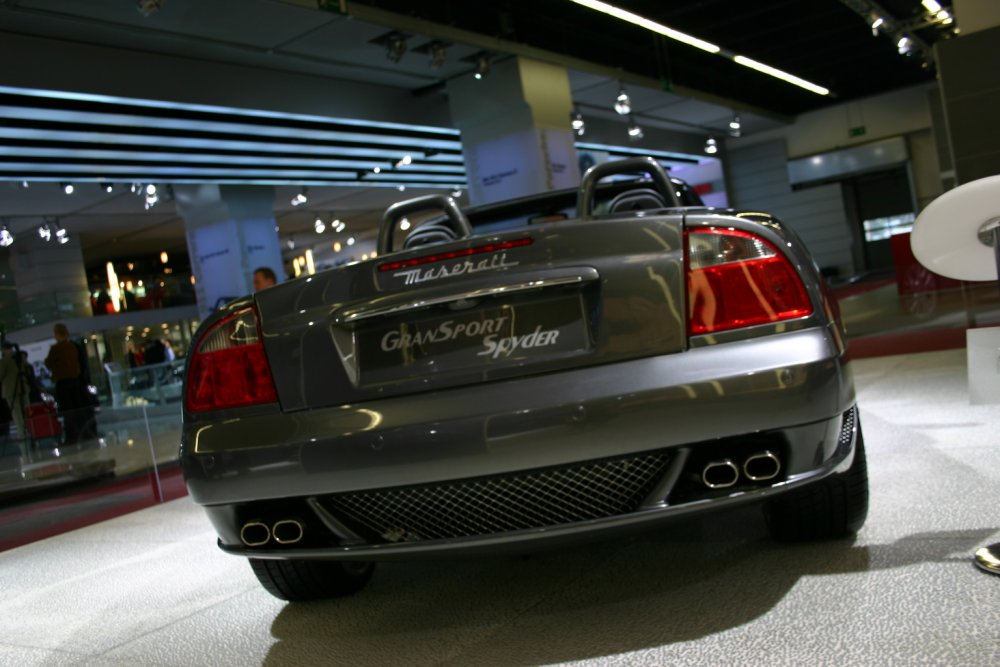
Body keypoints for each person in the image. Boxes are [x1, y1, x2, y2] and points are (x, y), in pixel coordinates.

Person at [44, 323, 83, 444]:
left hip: (62, 382)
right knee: (76, 408)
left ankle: (71, 436)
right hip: (74, 381)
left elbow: (48, 364)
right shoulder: (72, 346)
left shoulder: (55, 349)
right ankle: (80, 432)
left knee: (67, 411)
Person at [0, 341, 30, 447]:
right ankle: (30, 431)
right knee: (27, 411)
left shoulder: (4, 361)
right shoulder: (20, 357)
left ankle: (21, 435)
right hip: (23, 387)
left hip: (11, 390)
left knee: (17, 414)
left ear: (3, 349)